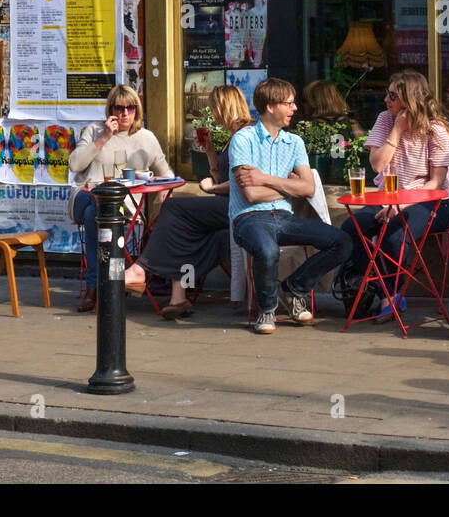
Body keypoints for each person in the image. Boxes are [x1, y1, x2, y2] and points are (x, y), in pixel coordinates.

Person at [227, 77, 353, 334]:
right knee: (268, 250)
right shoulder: (243, 139)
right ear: (271, 107)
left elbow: (308, 188)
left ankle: (293, 288)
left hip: (284, 215)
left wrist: (265, 179)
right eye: (289, 103)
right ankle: (267, 309)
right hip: (248, 218)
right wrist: (287, 186)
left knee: (343, 242)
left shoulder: (294, 142)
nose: (295, 109)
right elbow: (250, 194)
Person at [122, 84, 251, 319]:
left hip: (237, 207)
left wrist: (212, 188)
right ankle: (178, 297)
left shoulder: (244, 135)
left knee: (172, 208)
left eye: (213, 108)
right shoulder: (234, 136)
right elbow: (224, 175)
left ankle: (140, 270)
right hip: (229, 206)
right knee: (186, 233)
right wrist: (210, 151)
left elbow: (244, 182)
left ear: (224, 107)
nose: (211, 115)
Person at [336, 70, 449, 320]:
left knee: (395, 234)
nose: (386, 100)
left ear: (410, 99)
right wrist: (397, 130)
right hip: (387, 199)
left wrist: (400, 205)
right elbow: (378, 165)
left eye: (392, 96)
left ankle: (393, 295)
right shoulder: (385, 120)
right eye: (386, 94)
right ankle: (385, 294)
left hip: (431, 202)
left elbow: (436, 182)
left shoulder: (436, 130)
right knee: (351, 228)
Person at [68, 85, 173, 313]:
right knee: (94, 210)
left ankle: (97, 286)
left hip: (124, 206)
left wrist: (164, 189)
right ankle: (102, 284)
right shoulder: (95, 131)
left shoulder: (146, 138)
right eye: (119, 108)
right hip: (85, 195)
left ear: (137, 110)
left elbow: (166, 172)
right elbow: (74, 164)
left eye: (130, 108)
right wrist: (104, 138)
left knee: (96, 214)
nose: (125, 114)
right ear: (111, 110)